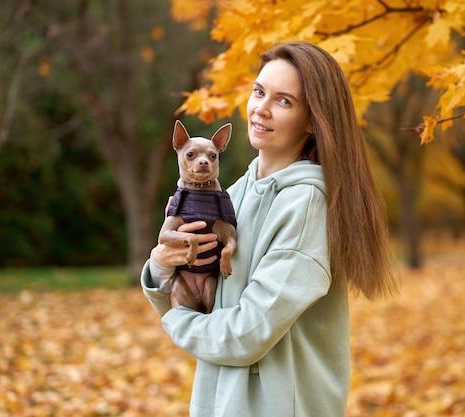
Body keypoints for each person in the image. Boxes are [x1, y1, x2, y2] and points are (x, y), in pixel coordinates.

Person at [141, 40, 398, 417]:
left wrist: (175, 318)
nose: (260, 108)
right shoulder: (232, 194)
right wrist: (161, 267)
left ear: (312, 120)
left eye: (284, 101)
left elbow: (248, 332)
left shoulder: (307, 205)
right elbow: (205, 298)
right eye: (259, 91)